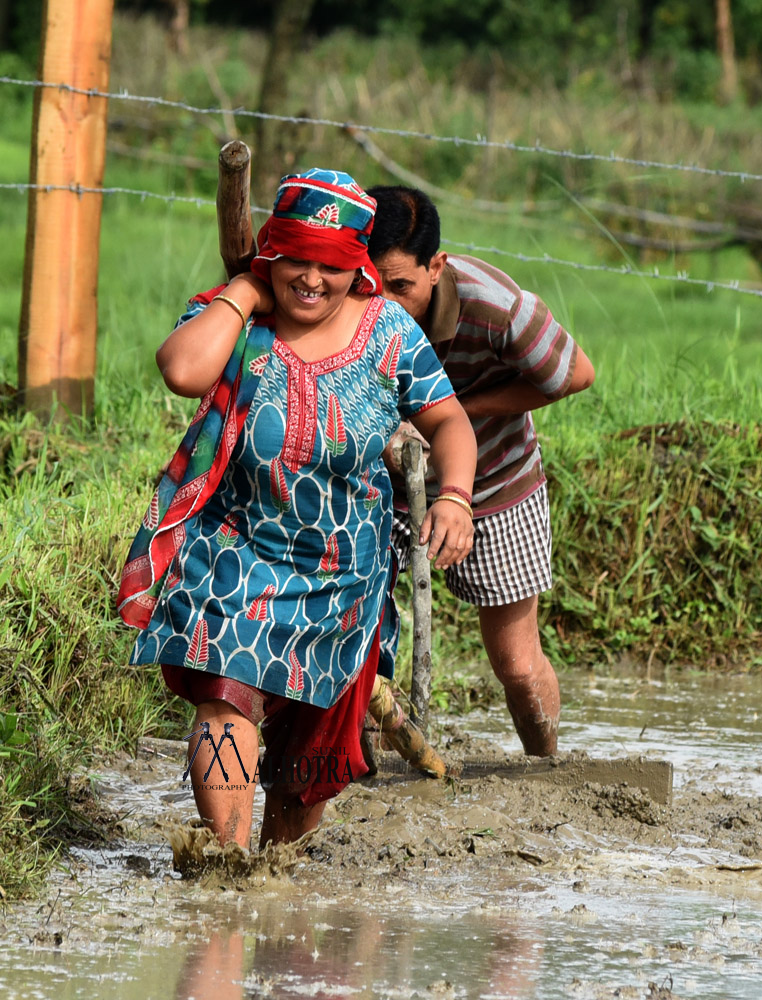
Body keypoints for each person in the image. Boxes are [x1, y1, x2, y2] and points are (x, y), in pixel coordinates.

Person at [117, 169, 476, 851]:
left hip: (345, 580)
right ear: (271, 255)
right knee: (227, 693)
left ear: (356, 268)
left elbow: (449, 420)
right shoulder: (233, 319)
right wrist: (246, 289)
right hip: (236, 551)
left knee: (306, 772)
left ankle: (277, 879)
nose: (312, 279)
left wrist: (455, 496)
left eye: (332, 265)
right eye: (295, 261)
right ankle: (223, 862)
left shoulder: (388, 332)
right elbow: (183, 371)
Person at [366, 185, 595, 758]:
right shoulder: (343, 299)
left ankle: (545, 765)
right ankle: (355, 766)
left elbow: (576, 374)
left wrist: (458, 414)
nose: (383, 306)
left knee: (517, 665)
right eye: (371, 285)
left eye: (401, 287)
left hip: (494, 481)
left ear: (436, 267)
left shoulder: (495, 307)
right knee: (358, 649)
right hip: (373, 486)